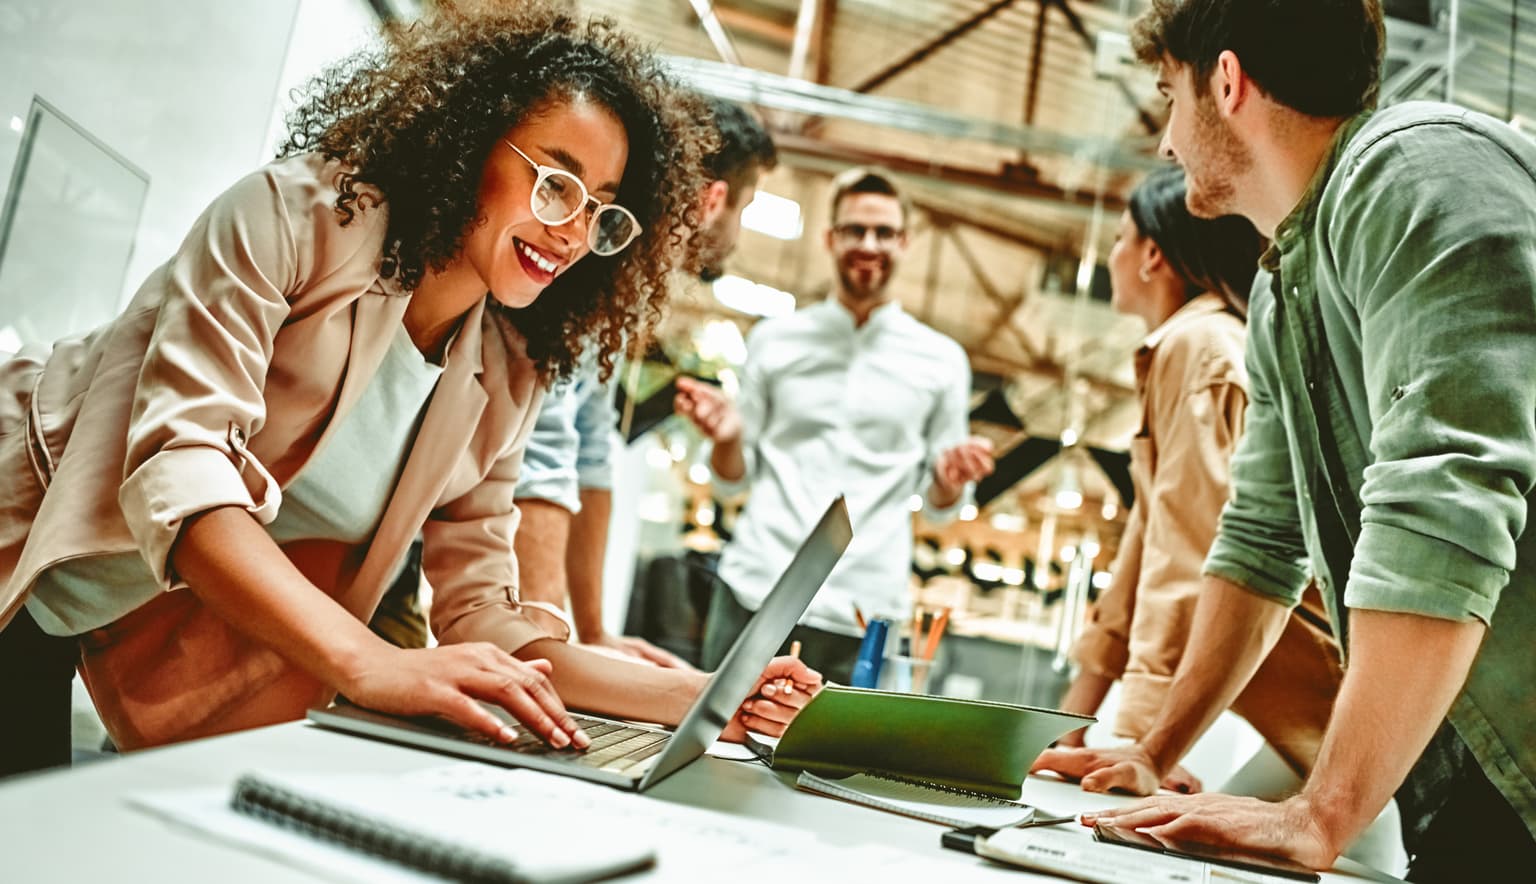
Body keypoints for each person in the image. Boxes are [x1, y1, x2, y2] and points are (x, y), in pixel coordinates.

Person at [0, 2, 817, 779]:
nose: (572, 231)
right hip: (20, 548)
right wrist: (375, 663)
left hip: (124, 618)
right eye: (556, 183)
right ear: (469, 143)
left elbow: (484, 616)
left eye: (601, 210)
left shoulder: (505, 369)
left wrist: (708, 697)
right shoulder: (291, 218)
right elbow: (185, 477)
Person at [1040, 1, 1536, 877]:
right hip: (1470, 758)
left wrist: (1323, 810)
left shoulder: (1420, 167)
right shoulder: (1281, 287)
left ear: (1225, 83)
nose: (1164, 142)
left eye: (1168, 97)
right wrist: (1156, 747)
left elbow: (1445, 497)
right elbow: (1262, 538)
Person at [1043, 166, 1341, 795]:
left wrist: (1143, 743)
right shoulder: (1186, 347)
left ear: (1153, 254)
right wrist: (1069, 721)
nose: (1113, 254)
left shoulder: (1200, 348)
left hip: (1322, 698)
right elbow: (1143, 550)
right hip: (1297, 707)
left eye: (1121, 238)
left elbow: (1190, 550)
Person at [675, 167, 995, 684]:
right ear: (829, 238)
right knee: (716, 749)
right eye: (854, 230)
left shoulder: (943, 361)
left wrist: (949, 480)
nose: (869, 244)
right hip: (758, 589)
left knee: (838, 764)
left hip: (865, 609)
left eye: (884, 232)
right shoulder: (775, 340)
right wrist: (729, 439)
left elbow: (941, 510)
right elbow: (732, 478)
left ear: (905, 242)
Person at [508, 97, 778, 667]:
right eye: (745, 209)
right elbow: (546, 450)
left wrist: (593, 632)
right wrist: (553, 651)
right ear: (713, 200)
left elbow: (590, 448)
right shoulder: (589, 263)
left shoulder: (627, 288)